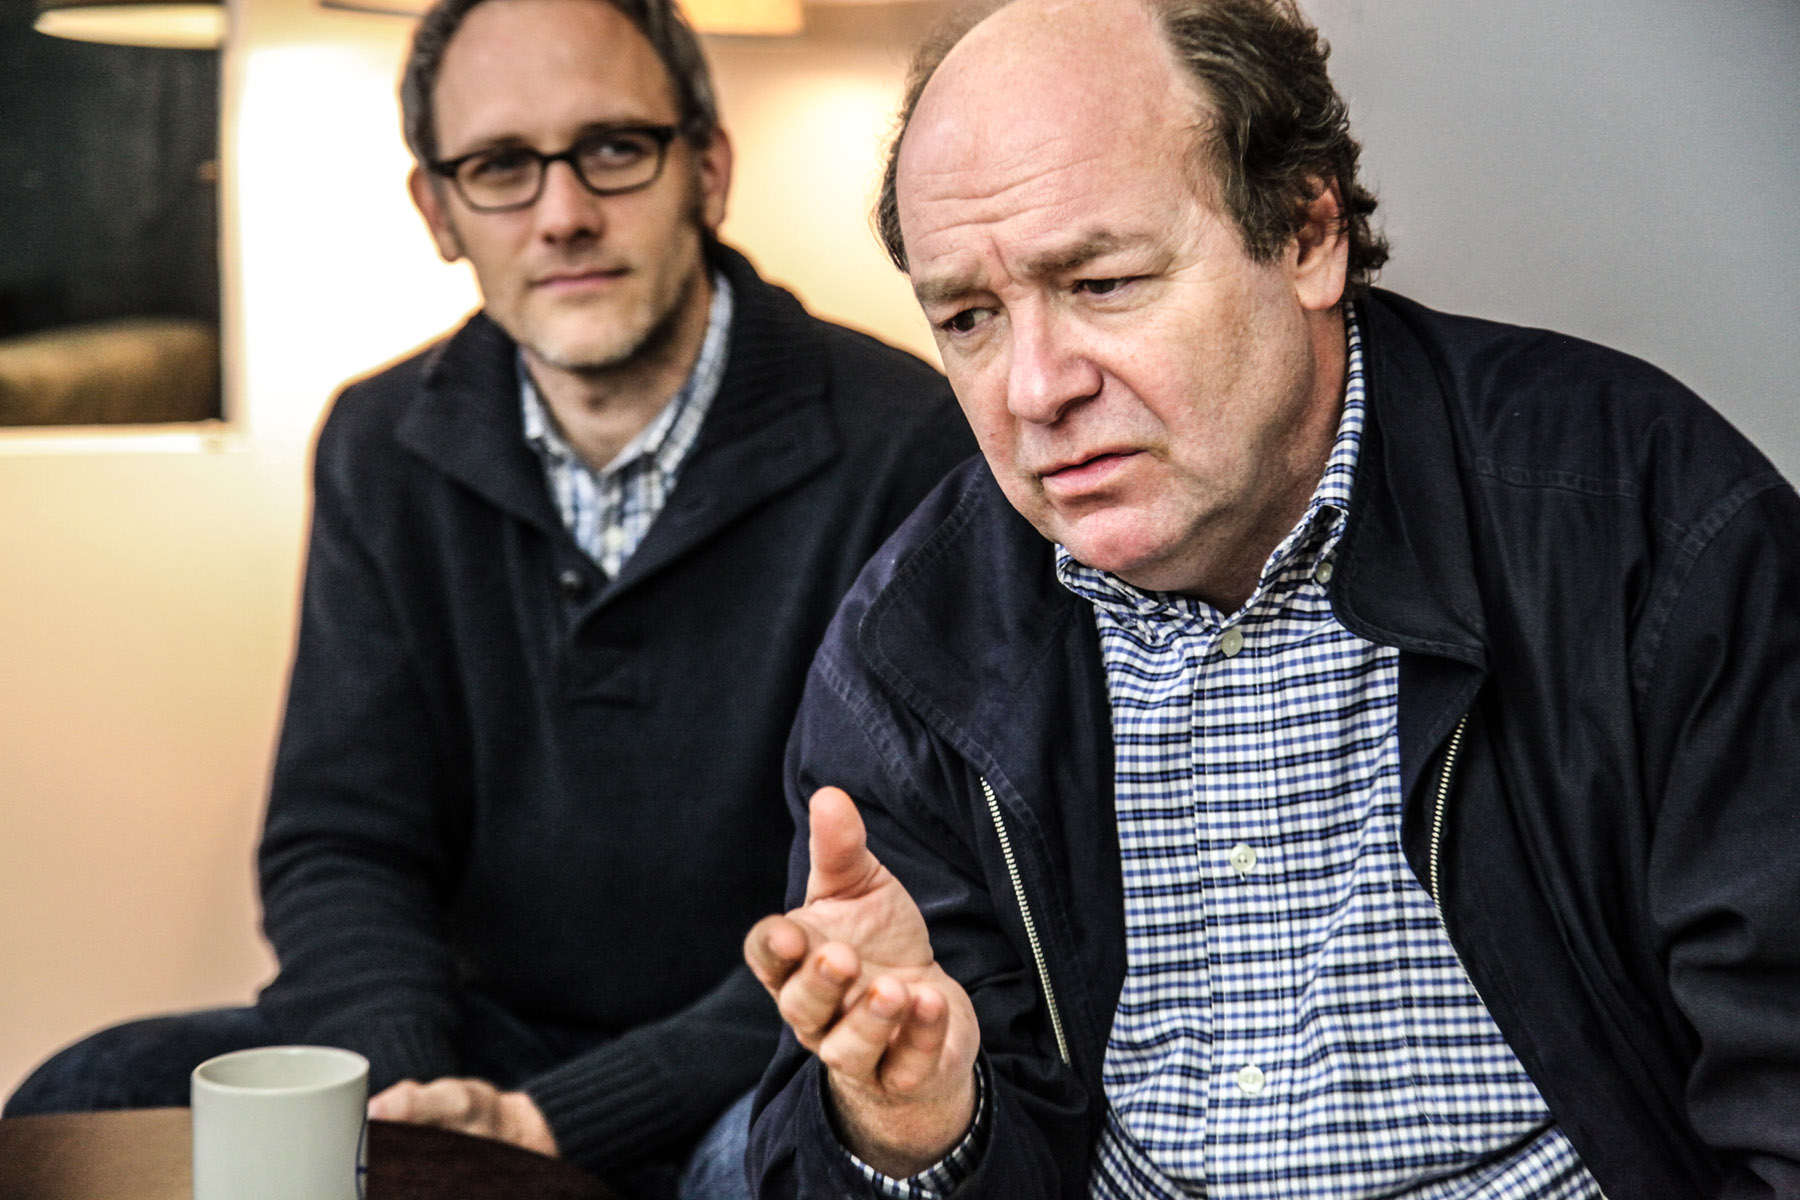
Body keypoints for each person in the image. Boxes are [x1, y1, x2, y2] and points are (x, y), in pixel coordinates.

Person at [741, 0, 1800, 1196]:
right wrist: (917, 1125)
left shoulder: (1634, 517)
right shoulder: (910, 653)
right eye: (970, 318)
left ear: (1306, 235)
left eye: (1103, 280)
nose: (1034, 388)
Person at [4, 0, 972, 1195]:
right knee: (85, 1096)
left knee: (757, 1173)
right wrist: (419, 1098)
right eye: (501, 166)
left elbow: (903, 899)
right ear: (437, 211)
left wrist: (560, 1122)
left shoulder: (913, 447)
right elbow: (343, 840)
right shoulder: (379, 443)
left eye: (613, 148)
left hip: (761, 1057)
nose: (562, 213)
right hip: (471, 1043)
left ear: (708, 170)